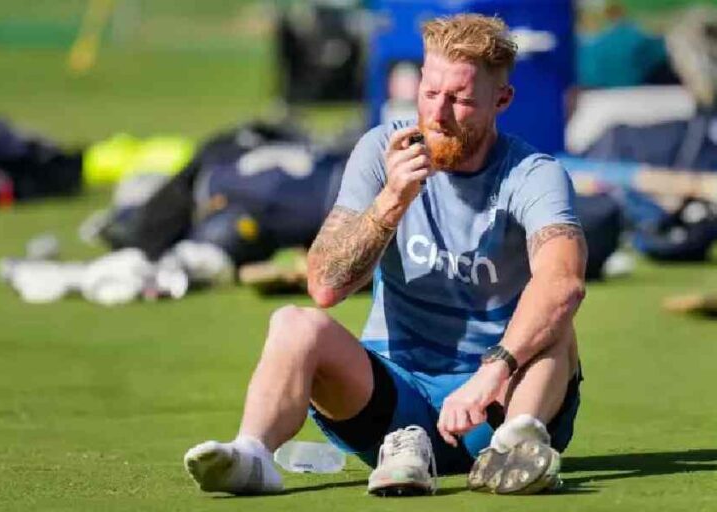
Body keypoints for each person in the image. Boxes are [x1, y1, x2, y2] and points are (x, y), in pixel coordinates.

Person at [183, 13, 587, 497]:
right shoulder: (382, 150)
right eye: (430, 92)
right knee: (294, 323)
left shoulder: (533, 173)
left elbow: (563, 281)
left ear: (501, 100)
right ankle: (252, 456)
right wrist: (391, 201)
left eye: (460, 99)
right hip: (393, 404)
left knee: (557, 321)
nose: (438, 114)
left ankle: (516, 448)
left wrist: (492, 371)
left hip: (497, 400)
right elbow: (325, 286)